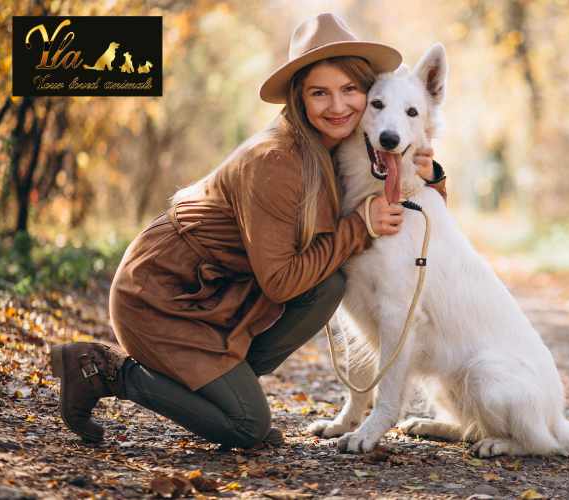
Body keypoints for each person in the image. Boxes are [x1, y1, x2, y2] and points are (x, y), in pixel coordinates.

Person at [48, 13, 447, 449]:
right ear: (299, 98)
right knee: (247, 428)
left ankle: (216, 388)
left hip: (220, 297)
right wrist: (358, 226)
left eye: (349, 90)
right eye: (320, 93)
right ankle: (106, 370)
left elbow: (420, 218)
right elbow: (280, 283)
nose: (337, 106)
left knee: (328, 285)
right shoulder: (276, 160)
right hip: (162, 297)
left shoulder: (341, 148)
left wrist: (433, 174)